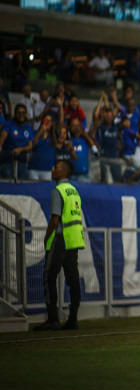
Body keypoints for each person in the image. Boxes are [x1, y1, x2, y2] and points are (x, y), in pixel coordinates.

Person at [34, 159, 85, 331]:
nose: (52, 169)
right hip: (74, 240)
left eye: (55, 167)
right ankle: (73, 319)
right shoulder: (74, 191)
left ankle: (53, 319)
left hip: (60, 239)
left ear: (63, 172)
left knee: (49, 277)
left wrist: (46, 236)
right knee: (73, 280)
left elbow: (55, 219)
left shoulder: (58, 191)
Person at [0, 104, 35, 179]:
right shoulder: (9, 124)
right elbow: (2, 139)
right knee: (7, 185)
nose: (21, 115)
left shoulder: (28, 126)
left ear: (26, 114)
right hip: (8, 160)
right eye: (19, 113)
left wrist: (21, 149)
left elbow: (30, 146)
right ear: (15, 114)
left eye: (23, 113)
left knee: (20, 186)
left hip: (22, 162)